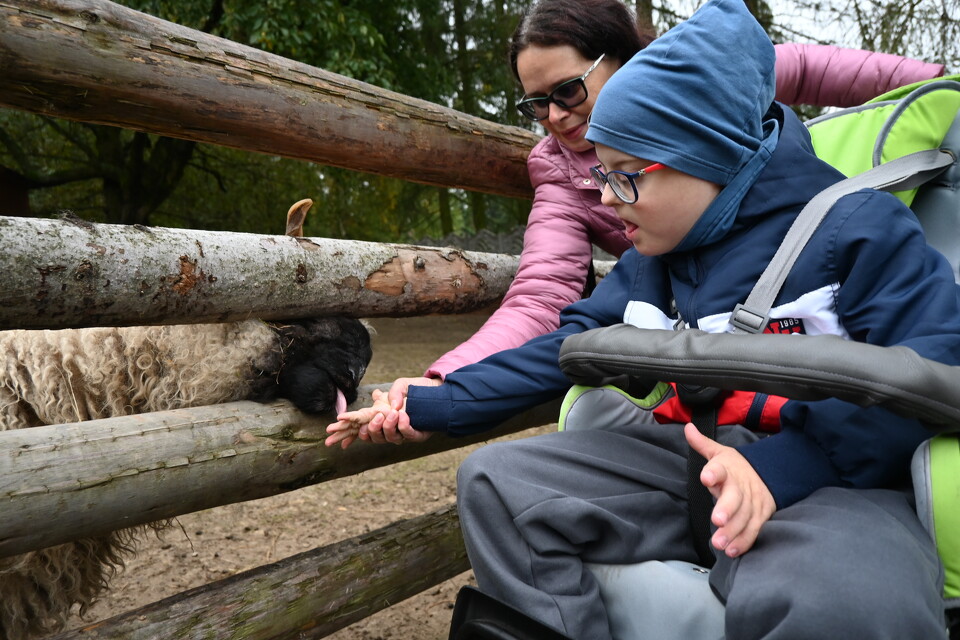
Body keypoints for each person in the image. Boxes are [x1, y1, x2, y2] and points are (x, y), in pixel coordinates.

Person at [327, 0, 959, 636]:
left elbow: (935, 365)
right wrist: (437, 401)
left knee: (849, 599)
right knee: (496, 484)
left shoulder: (857, 231)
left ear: (709, 156)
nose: (605, 197)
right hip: (683, 466)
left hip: (827, 481)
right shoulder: (652, 260)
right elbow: (567, 344)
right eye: (603, 173)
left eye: (627, 176)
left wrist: (783, 468)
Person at [418, 0, 945, 386]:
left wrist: (938, 84)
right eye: (536, 103)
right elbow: (543, 291)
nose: (554, 115)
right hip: (668, 306)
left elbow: (808, 68)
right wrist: (451, 376)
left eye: (568, 90)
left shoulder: (702, 81)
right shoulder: (558, 171)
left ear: (620, 59)